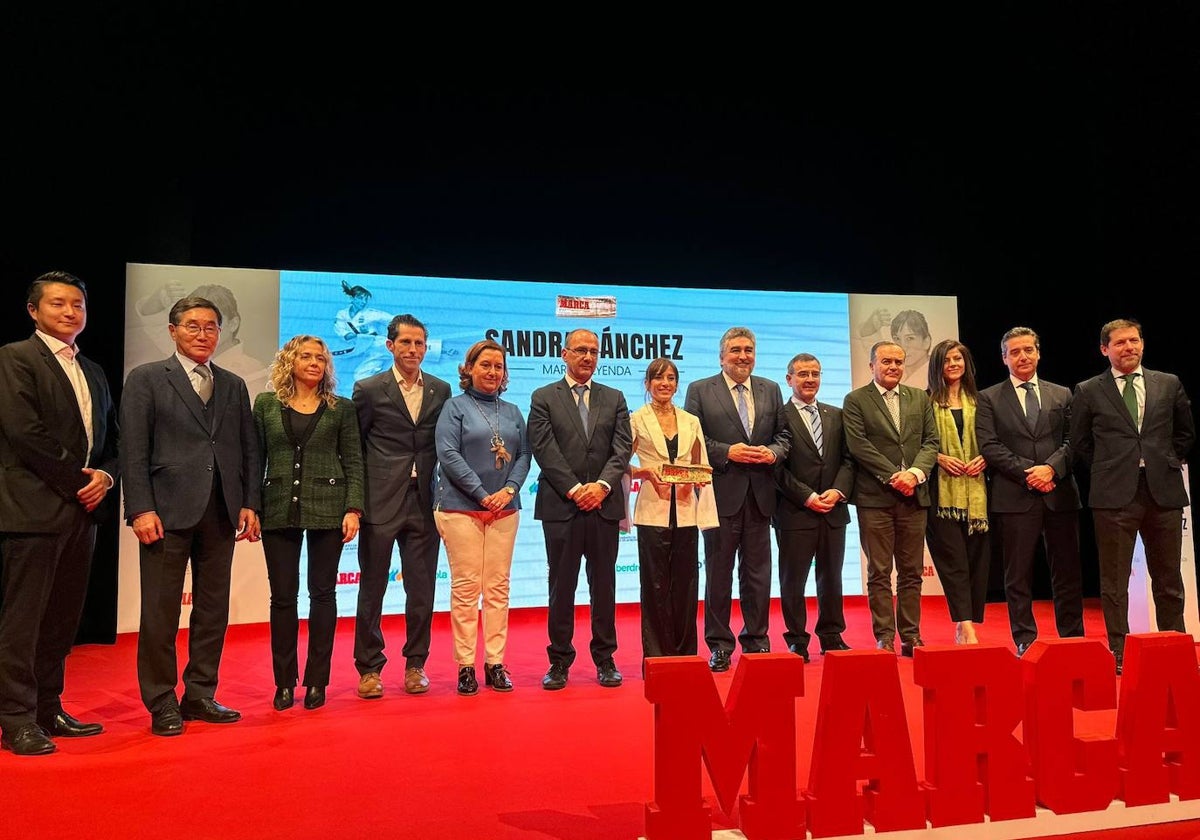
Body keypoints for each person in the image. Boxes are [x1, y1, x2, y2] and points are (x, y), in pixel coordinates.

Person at [121, 295, 261, 736]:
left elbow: (248, 450)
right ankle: (161, 700)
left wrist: (249, 501)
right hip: (164, 511)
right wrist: (140, 507)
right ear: (172, 331)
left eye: (211, 327)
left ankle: (200, 693)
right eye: (193, 326)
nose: (203, 335)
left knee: (212, 611)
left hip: (220, 511)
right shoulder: (146, 379)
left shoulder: (234, 383)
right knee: (160, 613)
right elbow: (133, 450)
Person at [0, 272, 118, 756]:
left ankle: (49, 707)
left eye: (77, 305)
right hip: (33, 509)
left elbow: (112, 437)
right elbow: (26, 434)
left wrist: (107, 477)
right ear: (34, 311)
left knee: (62, 619)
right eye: (58, 304)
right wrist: (80, 482)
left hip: (82, 513)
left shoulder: (92, 368)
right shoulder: (15, 358)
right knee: (23, 621)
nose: (70, 312)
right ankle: (16, 718)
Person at [1071, 318, 1194, 675]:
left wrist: (1164, 460)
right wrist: (1113, 467)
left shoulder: (1168, 383)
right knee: (1114, 580)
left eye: (1134, 340)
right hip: (1114, 496)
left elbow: (1185, 433)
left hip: (1163, 491)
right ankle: (1119, 651)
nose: (1129, 347)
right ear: (1104, 349)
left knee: (1169, 577)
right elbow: (1080, 443)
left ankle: (1174, 647)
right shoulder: (1089, 389)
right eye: (1120, 342)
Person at [254, 335, 364, 712]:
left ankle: (317, 680)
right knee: (282, 598)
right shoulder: (266, 404)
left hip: (329, 507)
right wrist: (250, 506)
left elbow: (353, 461)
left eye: (321, 357)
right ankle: (284, 682)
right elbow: (255, 458)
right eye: (306, 356)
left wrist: (353, 509)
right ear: (290, 361)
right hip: (277, 506)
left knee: (323, 595)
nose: (315, 362)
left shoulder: (341, 408)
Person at [352, 314, 450, 698]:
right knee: (372, 587)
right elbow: (355, 449)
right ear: (390, 345)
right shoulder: (368, 389)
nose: (413, 350)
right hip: (379, 501)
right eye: (405, 343)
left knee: (423, 590)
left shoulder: (440, 391)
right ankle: (369, 668)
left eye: (419, 343)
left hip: (425, 501)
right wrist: (356, 503)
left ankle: (415, 665)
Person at [529, 328, 632, 690]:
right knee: (561, 586)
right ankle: (559, 661)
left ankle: (606, 659)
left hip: (603, 505)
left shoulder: (615, 397)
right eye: (580, 350)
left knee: (604, 586)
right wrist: (575, 489)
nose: (587, 357)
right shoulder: (543, 397)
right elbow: (544, 449)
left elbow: (622, 449)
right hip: (562, 506)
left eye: (593, 351)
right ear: (564, 353)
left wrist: (601, 486)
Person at [683, 327, 789, 671]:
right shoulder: (700, 390)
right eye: (735, 350)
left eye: (748, 350)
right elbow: (692, 441)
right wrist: (729, 451)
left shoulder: (771, 389)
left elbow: (784, 436)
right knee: (718, 573)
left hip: (760, 497)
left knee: (758, 573)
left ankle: (757, 640)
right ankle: (719, 644)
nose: (743, 356)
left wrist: (772, 453)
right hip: (719, 495)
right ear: (721, 356)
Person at [976, 327, 1084, 656]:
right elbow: (989, 446)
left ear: (1038, 353)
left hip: (1060, 493)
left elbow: (1074, 440)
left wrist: (1051, 468)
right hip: (1014, 496)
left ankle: (1073, 637)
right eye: (1015, 352)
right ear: (1004, 358)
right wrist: (1030, 473)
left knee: (1067, 571)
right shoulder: (988, 397)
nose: (1022, 356)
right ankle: (1025, 637)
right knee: (1017, 575)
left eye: (1028, 350)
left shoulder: (1062, 394)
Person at [433, 339, 531, 695]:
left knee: (498, 588)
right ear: (469, 369)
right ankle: (464, 666)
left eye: (498, 367)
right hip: (460, 506)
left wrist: (509, 491)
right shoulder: (454, 407)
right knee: (466, 588)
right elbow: (448, 453)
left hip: (505, 508)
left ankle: (495, 663)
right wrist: (481, 494)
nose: (492, 372)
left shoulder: (513, 411)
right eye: (485, 365)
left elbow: (524, 455)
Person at [842, 340, 939, 656]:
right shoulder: (856, 400)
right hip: (875, 498)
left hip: (914, 495)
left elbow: (931, 442)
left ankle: (911, 636)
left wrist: (914, 474)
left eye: (898, 362)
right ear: (872, 365)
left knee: (911, 572)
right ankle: (884, 636)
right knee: (879, 572)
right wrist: (893, 476)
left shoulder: (919, 398)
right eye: (886, 361)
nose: (893, 367)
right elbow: (858, 446)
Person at [628, 358, 718, 659]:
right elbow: (620, 465)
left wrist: (699, 477)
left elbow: (701, 465)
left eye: (670, 378)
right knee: (654, 587)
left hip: (686, 512)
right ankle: (655, 656)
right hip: (652, 510)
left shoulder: (691, 420)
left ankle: (686, 654)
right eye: (658, 378)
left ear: (677, 384)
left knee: (686, 586)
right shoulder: (636, 419)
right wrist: (644, 472)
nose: (664, 383)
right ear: (647, 384)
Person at [772, 353, 855, 662]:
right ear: (789, 379)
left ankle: (832, 635)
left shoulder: (836, 414)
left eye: (815, 374)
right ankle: (797, 639)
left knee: (831, 576)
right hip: (795, 511)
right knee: (792, 580)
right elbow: (776, 468)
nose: (810, 379)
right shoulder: (777, 416)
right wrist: (806, 496)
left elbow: (848, 459)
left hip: (834, 510)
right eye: (803, 373)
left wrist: (838, 491)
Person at [924, 340, 989, 645]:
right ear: (937, 365)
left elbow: (995, 440)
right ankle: (964, 623)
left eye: (958, 358)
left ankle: (970, 618)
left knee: (977, 561)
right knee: (953, 562)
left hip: (979, 494)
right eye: (947, 359)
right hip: (941, 494)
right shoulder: (924, 401)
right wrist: (938, 457)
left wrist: (986, 458)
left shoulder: (982, 400)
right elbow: (917, 444)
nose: (953, 364)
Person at [333, 280, 394, 383]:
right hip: (367, 351)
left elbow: (392, 319)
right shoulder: (342, 315)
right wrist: (361, 334)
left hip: (378, 343)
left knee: (408, 350)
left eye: (365, 299)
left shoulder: (370, 314)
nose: (363, 302)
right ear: (352, 298)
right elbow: (345, 335)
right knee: (360, 376)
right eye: (360, 298)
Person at [891, 310, 932, 391]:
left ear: (926, 342)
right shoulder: (897, 374)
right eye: (897, 339)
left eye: (910, 338)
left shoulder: (936, 376)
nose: (902, 346)